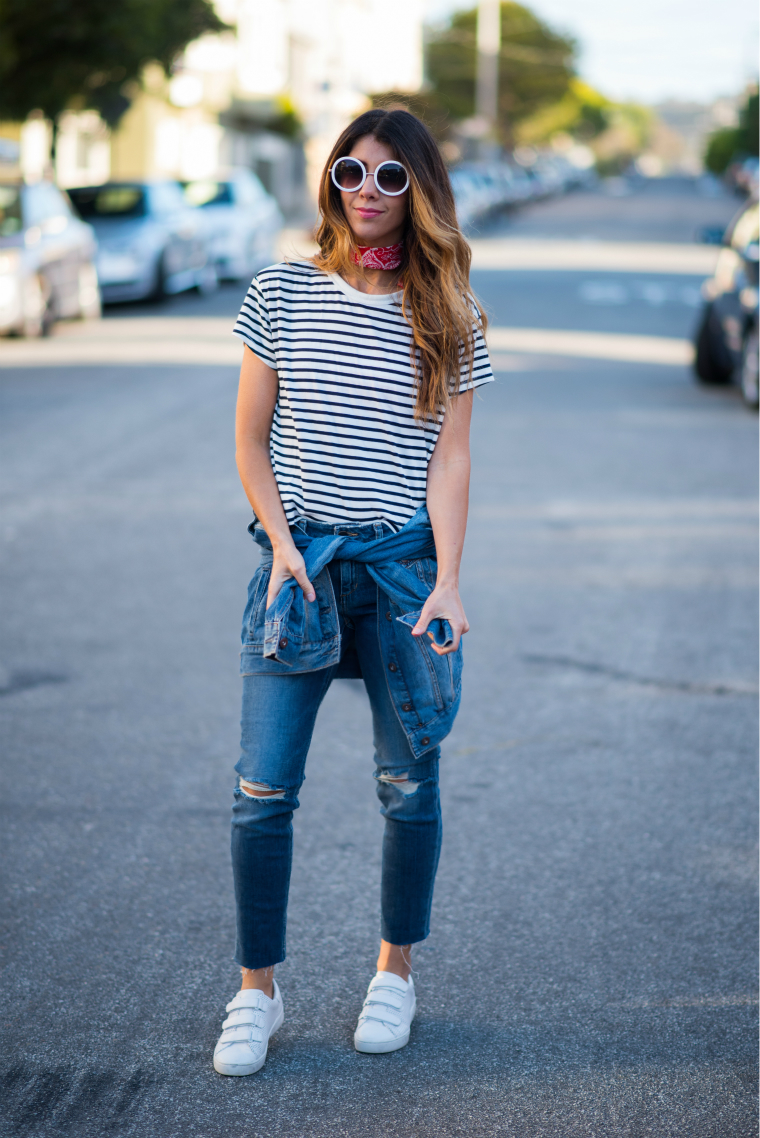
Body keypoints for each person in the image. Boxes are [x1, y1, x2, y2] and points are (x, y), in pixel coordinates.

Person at [213, 107, 493, 1077]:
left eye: (389, 179)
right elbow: (251, 437)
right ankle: (255, 988)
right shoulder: (280, 292)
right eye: (350, 174)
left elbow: (448, 460)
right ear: (328, 183)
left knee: (407, 786)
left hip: (404, 573)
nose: (367, 195)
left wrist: (449, 581)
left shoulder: (449, 309)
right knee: (260, 790)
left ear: (419, 192)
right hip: (300, 571)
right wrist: (283, 544)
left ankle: (394, 970)